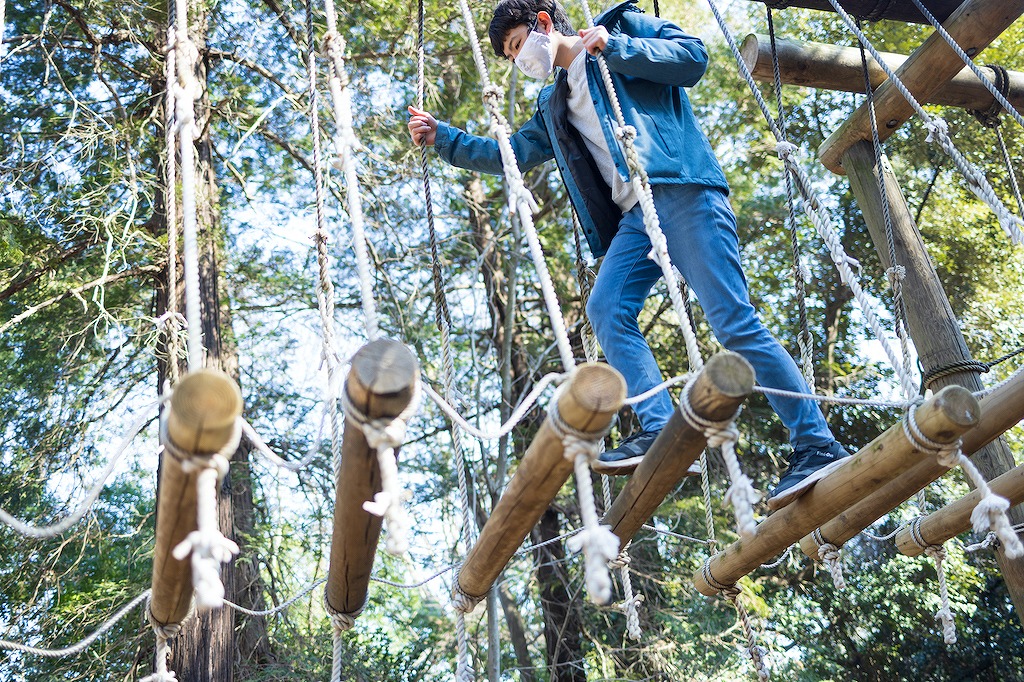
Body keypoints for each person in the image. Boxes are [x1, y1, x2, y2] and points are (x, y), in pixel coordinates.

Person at [407, 0, 849, 509]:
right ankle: (661, 427)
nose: (518, 61)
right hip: (637, 219)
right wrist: (445, 139)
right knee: (606, 308)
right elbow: (511, 154)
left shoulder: (621, 27)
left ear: (543, 25)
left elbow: (692, 57)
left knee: (732, 322)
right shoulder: (554, 105)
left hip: (682, 190)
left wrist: (615, 48)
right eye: (510, 57)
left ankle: (817, 444)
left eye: (515, 46)